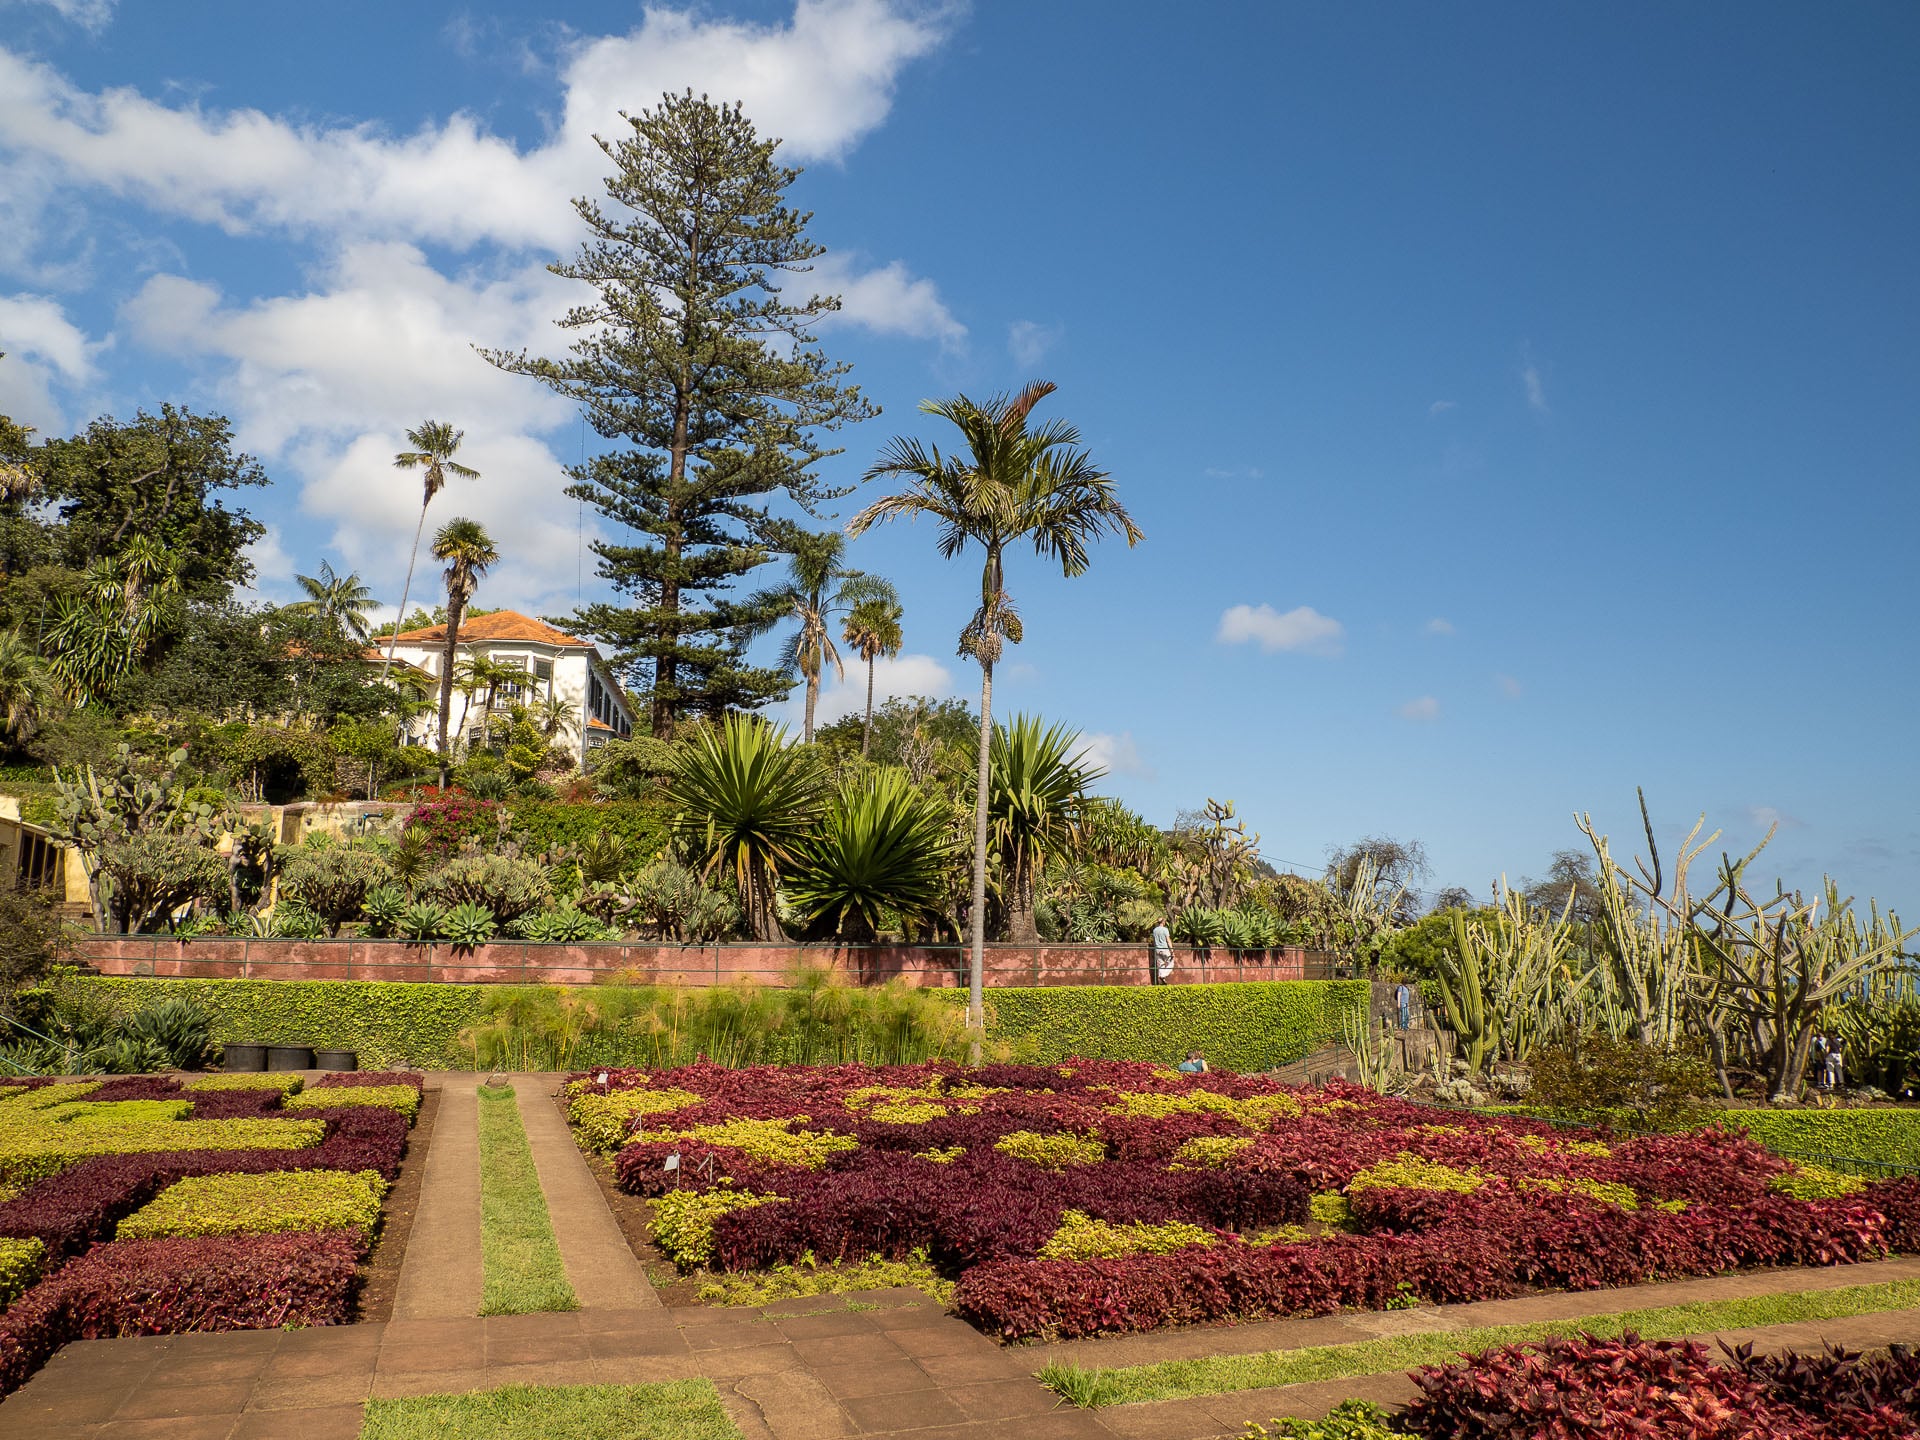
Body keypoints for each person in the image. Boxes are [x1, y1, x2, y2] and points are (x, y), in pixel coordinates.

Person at [1150, 916, 1175, 985]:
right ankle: (1163, 975)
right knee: (1171, 962)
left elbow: (1154, 941)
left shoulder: (1154, 930)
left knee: (1161, 965)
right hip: (1165, 949)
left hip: (1157, 949)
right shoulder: (1165, 930)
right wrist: (1172, 951)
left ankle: (1161, 980)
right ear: (1163, 922)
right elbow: (1168, 940)